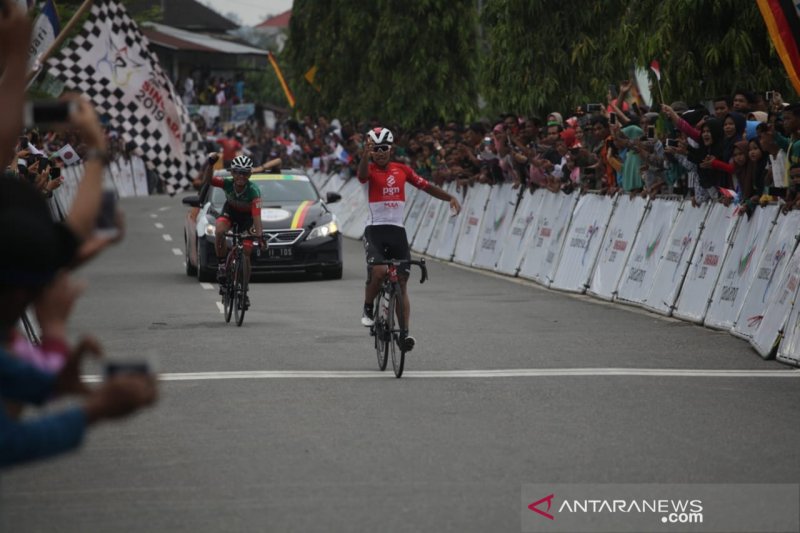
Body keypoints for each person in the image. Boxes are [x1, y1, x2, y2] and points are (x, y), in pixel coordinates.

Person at [357, 127, 461, 352]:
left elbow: (426, 187)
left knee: (401, 283)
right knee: (379, 271)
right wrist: (365, 156)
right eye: (376, 149)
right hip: (375, 230)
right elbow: (362, 175)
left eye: (384, 148)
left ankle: (403, 335)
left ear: (391, 149)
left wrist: (449, 197)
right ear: (371, 151)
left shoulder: (402, 169)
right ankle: (367, 308)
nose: (381, 152)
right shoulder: (370, 169)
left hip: (397, 231)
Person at [200, 154, 266, 308]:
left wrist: (260, 236)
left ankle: (243, 291)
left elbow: (257, 217)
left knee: (247, 251)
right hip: (230, 212)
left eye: (244, 173)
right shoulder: (227, 183)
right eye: (237, 172)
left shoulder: (254, 191)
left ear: (249, 174)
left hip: (247, 219)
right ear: (232, 173)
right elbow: (208, 181)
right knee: (219, 231)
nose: (240, 176)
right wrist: (210, 165)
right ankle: (222, 265)